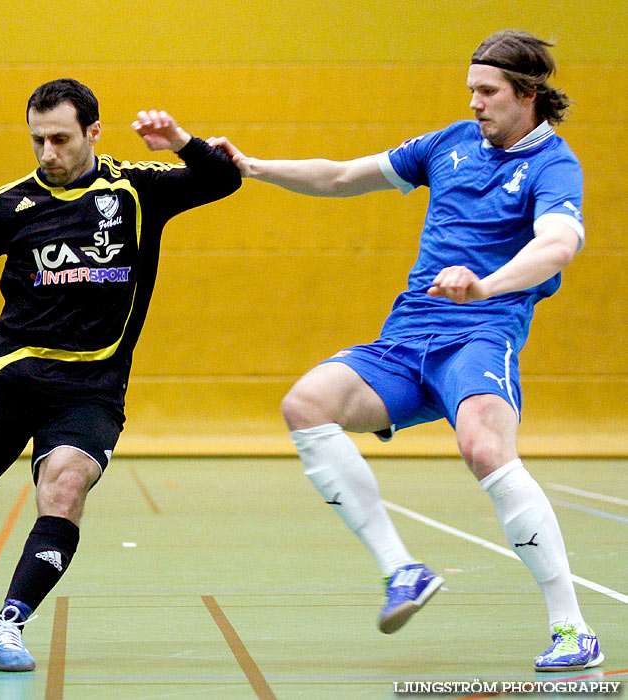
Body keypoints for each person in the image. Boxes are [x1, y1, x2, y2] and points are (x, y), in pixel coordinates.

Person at [209, 30, 602, 671]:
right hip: (407, 336)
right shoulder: (447, 145)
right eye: (470, 89)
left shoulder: (555, 164)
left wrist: (486, 286)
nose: (474, 102)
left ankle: (572, 629)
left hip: (481, 332)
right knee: (306, 404)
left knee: (484, 448)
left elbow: (557, 246)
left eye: (488, 91)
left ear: (528, 94)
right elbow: (341, 176)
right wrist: (254, 167)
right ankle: (403, 570)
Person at [0, 78, 241, 672]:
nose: (48, 153)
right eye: (37, 141)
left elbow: (222, 179)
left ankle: (8, 625)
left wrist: (182, 141)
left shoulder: (134, 190)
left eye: (60, 138)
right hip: (11, 377)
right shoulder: (9, 206)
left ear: (92, 132)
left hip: (91, 388)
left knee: (64, 486)